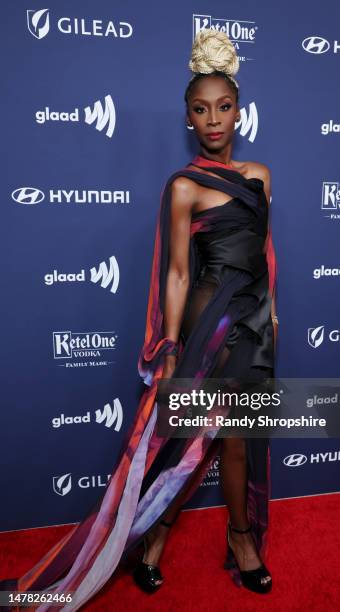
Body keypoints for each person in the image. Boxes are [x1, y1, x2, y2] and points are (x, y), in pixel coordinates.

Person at [0, 29, 278, 610]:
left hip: (255, 326)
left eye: (223, 107)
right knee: (181, 446)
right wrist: (171, 343)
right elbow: (178, 273)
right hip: (208, 327)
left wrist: (273, 318)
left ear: (239, 111)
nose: (213, 120)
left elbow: (264, 255)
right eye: (200, 110)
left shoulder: (260, 177)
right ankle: (154, 537)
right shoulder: (183, 187)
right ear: (188, 118)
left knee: (238, 441)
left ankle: (242, 541)